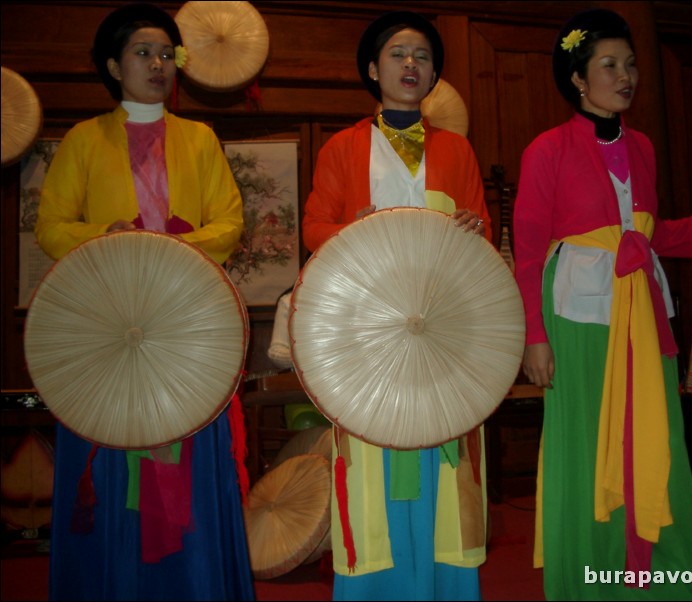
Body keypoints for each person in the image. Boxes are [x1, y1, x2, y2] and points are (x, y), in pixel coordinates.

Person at [35, 4, 254, 600]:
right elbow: (52, 227)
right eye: (143, 53)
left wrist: (164, 251)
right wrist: (109, 242)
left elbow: (228, 224)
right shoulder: (83, 140)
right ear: (113, 64)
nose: (158, 65)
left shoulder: (200, 138)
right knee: (109, 467)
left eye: (166, 54)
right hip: (107, 333)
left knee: (191, 457)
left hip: (185, 330)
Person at [513, 8, 692, 600]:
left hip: (641, 312)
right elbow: (529, 253)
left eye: (630, 64)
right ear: (579, 79)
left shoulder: (643, 148)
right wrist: (534, 335)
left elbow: (646, 232)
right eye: (608, 64)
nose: (625, 75)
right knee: (587, 441)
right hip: (578, 318)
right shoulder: (547, 149)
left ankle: (660, 577)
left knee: (655, 437)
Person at [302, 10, 491, 601]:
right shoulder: (342, 147)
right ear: (371, 69)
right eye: (398, 54)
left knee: (447, 458)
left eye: (423, 57)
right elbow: (312, 228)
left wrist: (472, 226)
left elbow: (481, 235)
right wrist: (348, 230)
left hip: (446, 331)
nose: (411, 65)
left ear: (434, 75)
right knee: (369, 465)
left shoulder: (458, 150)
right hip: (365, 335)